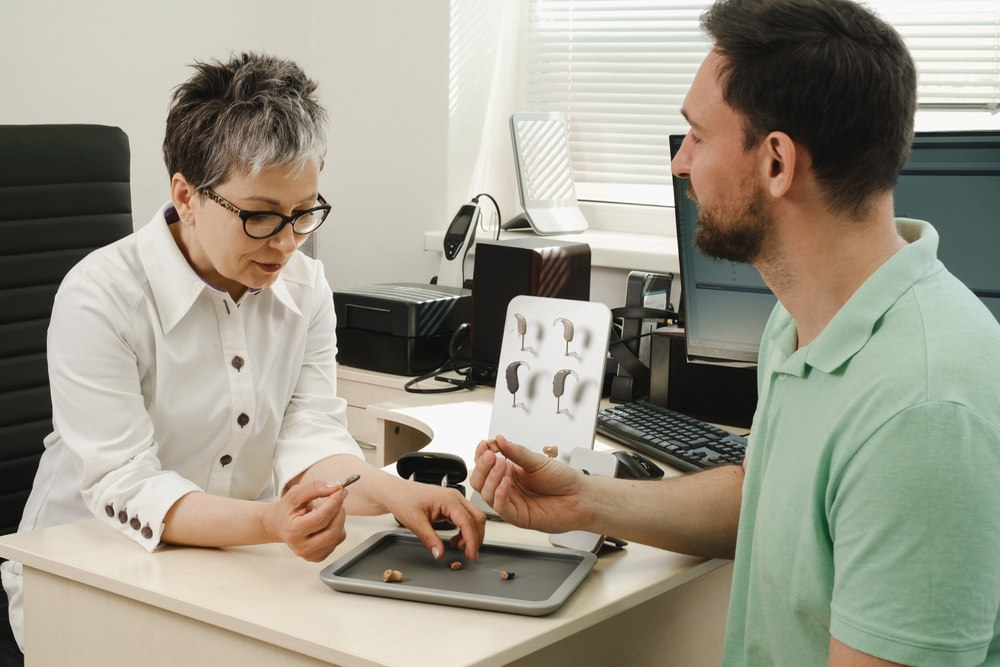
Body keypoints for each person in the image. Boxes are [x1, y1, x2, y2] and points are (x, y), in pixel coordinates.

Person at [471, 1, 1000, 665]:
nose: (680, 163)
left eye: (697, 135)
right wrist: (584, 500)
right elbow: (765, 497)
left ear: (777, 161)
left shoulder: (922, 409)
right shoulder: (802, 321)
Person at [1, 52, 485, 653]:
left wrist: (394, 493)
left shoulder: (306, 290)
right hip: (85, 573)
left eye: (304, 212)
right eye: (259, 217)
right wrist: (269, 522)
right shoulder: (100, 296)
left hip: (226, 568)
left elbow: (311, 445)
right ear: (186, 195)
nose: (285, 244)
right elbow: (127, 486)